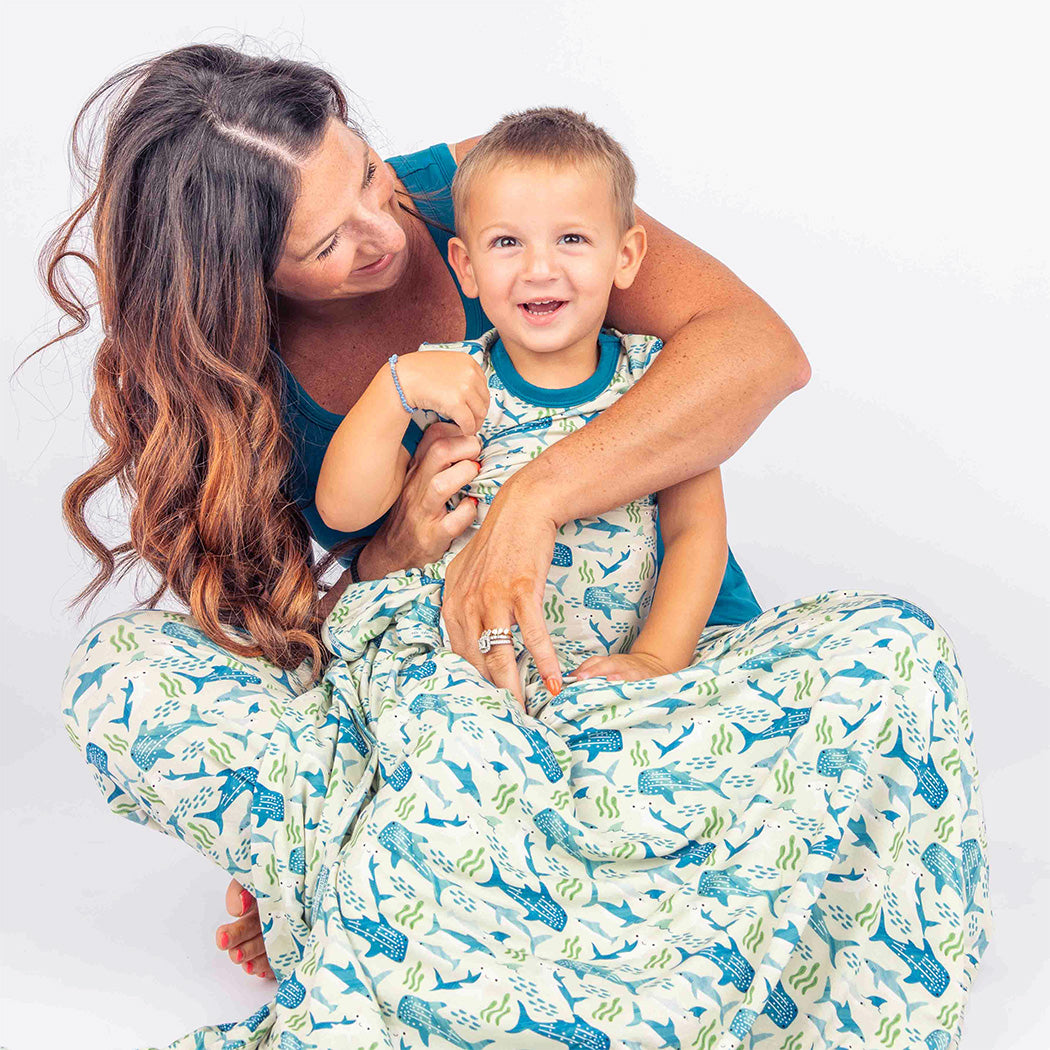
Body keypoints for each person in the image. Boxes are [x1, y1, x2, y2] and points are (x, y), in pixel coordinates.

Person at [48, 44, 989, 1048]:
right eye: (325, 244)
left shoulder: (501, 199)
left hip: (642, 703)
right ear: (240, 276)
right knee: (122, 676)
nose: (384, 234)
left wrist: (529, 505)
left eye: (367, 174)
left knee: (896, 650)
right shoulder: (233, 372)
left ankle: (461, 922)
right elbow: (301, 635)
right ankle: (437, 897)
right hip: (452, 713)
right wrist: (384, 567)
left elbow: (759, 354)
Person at [316, 108, 731, 702]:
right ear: (467, 266)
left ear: (627, 256)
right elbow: (345, 511)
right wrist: (393, 387)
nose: (540, 269)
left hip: (613, 677)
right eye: (507, 242)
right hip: (467, 676)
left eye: (572, 239)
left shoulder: (656, 378)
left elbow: (697, 532)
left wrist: (656, 658)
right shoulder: (451, 377)